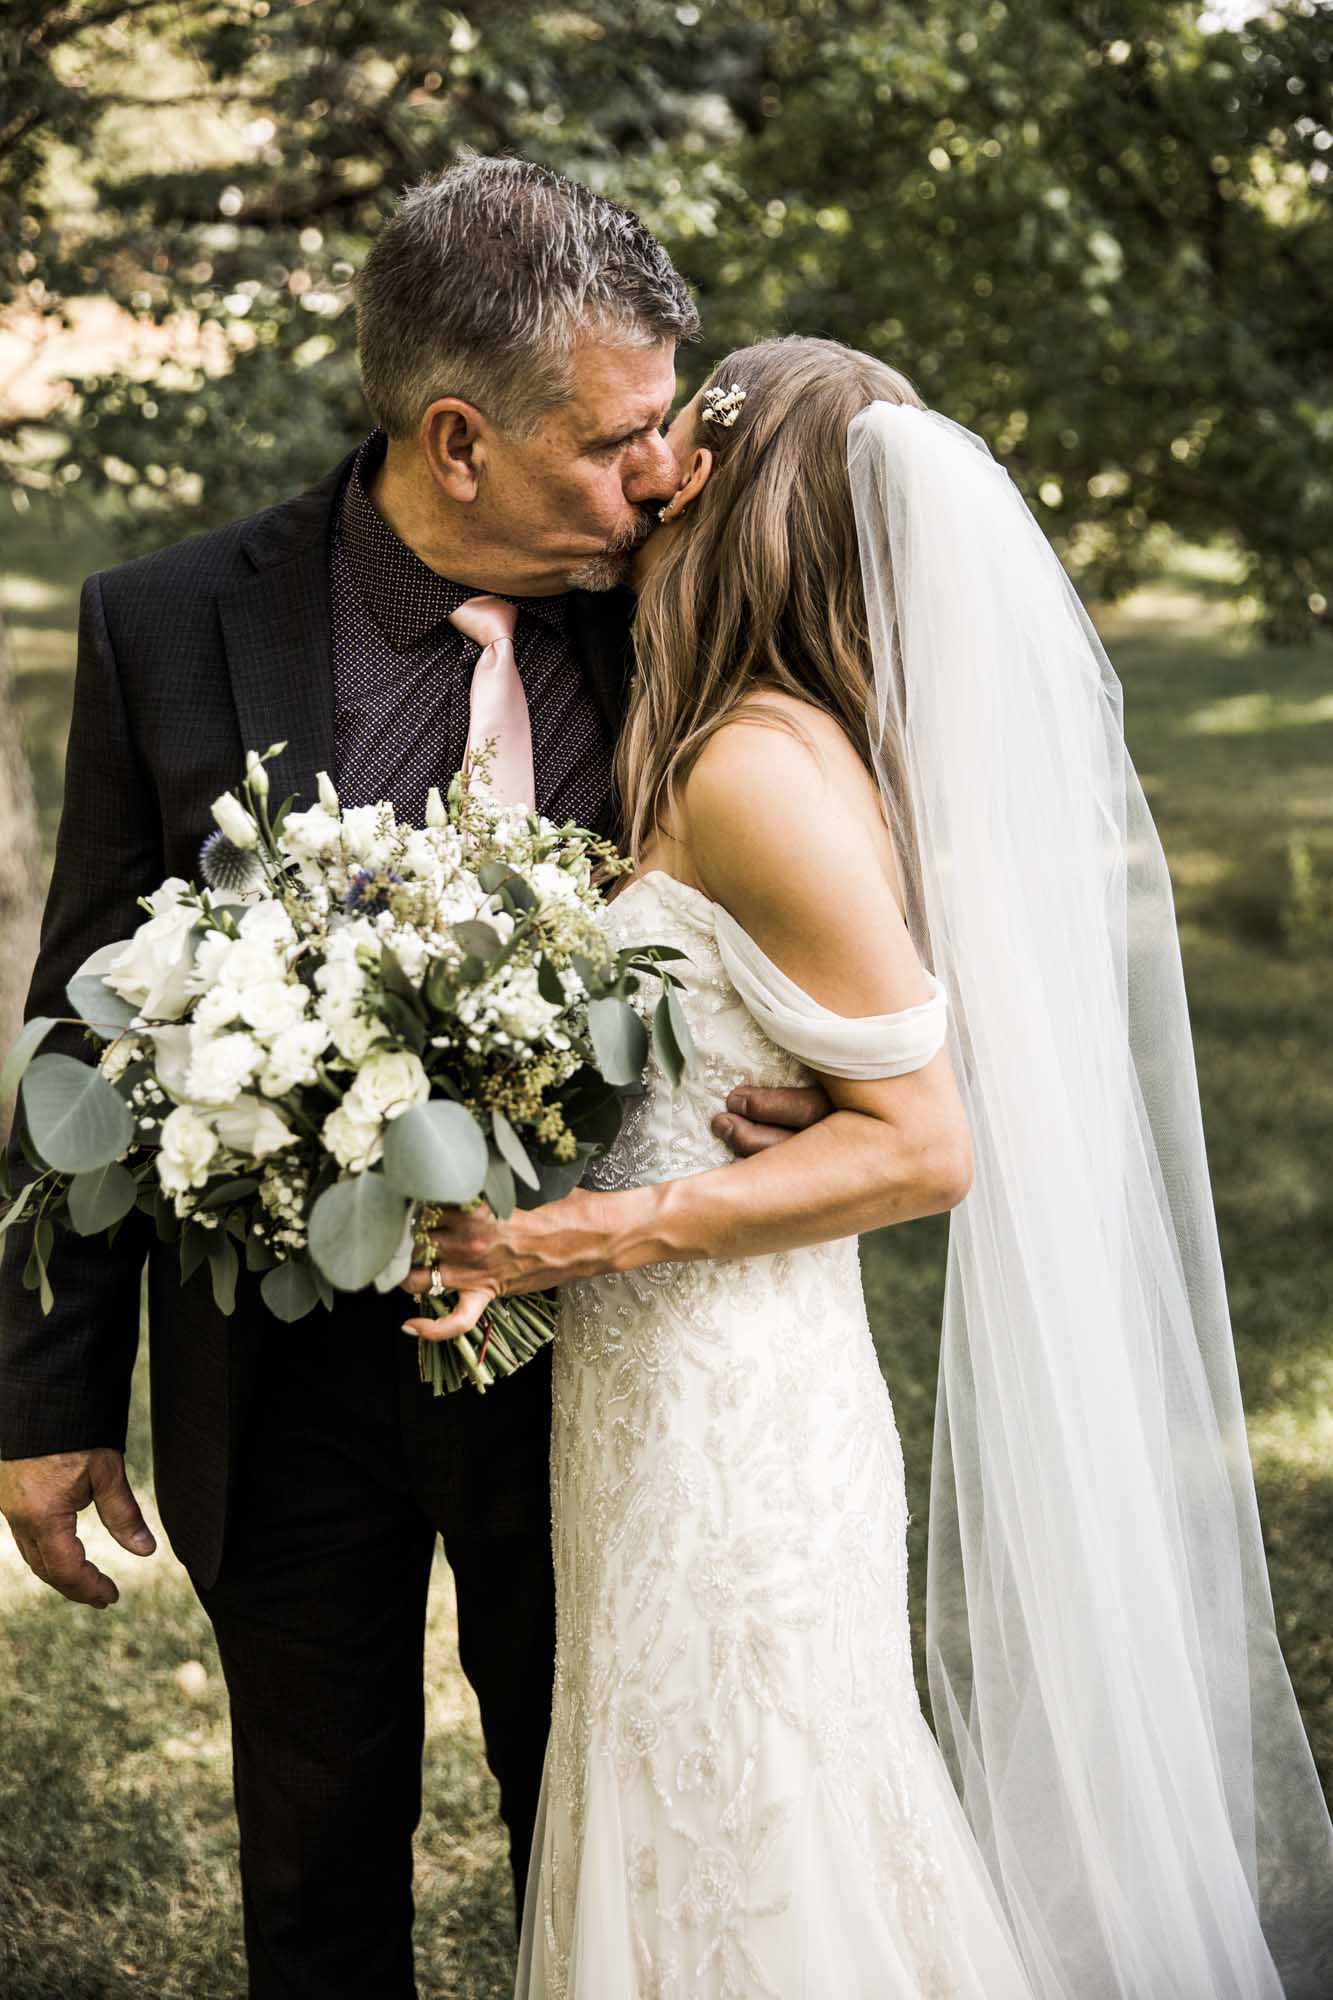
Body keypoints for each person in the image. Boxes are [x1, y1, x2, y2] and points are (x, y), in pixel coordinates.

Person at [406, 337, 1333, 1998]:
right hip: (677, 1385)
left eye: (670, 458)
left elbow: (923, 1144)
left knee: (748, 1821)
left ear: (727, 494)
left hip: (723, 1405)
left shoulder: (751, 766)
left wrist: (562, 1239)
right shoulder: (753, 736)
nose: (643, 484)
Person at [0, 161, 830, 2000]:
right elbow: (85, 1015)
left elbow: (878, 885)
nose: (662, 475)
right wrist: (43, 1395)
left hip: (600, 1357)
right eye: (612, 440)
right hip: (278, 1376)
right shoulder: (166, 623)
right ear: (456, 439)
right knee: (314, 1867)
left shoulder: (687, 605)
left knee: (603, 1839)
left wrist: (842, 1080)